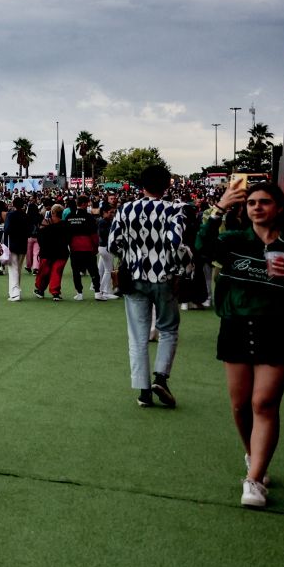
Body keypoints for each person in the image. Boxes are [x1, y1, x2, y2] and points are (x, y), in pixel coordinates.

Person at [197, 181, 284, 507]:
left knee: (264, 403)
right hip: (236, 326)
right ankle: (254, 456)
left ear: (278, 207)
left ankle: (254, 482)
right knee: (240, 406)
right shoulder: (233, 240)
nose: (257, 207)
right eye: (252, 202)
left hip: (279, 329)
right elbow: (202, 247)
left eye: (264, 202)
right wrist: (219, 208)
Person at [108, 164, 188, 409]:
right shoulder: (175, 210)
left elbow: (114, 244)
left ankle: (144, 391)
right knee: (168, 329)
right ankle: (161, 378)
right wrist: (181, 269)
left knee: (137, 335)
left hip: (133, 277)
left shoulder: (125, 209)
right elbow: (177, 242)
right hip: (163, 276)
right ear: (167, 185)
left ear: (141, 184)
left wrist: (132, 253)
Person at [2, 196, 37, 302]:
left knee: (13, 269)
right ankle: (15, 291)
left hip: (12, 243)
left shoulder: (10, 215)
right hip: (23, 244)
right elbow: (31, 230)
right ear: (23, 205)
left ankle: (15, 293)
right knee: (18, 269)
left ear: (13, 204)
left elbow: (6, 229)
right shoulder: (26, 216)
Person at [33, 205, 69, 301]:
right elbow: (67, 239)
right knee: (57, 272)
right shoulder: (65, 224)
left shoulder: (45, 222)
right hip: (61, 252)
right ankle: (55, 293)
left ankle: (40, 290)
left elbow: (40, 237)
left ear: (52, 212)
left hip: (46, 252)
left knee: (44, 272)